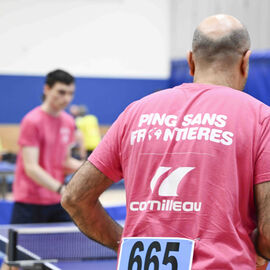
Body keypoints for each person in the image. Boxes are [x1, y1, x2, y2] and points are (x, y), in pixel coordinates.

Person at [61, 15, 270, 269]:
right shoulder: (261, 118)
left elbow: (74, 197)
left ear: (191, 61)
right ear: (246, 62)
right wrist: (259, 250)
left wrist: (124, 244)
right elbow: (268, 232)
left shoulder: (136, 112)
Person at [10, 69, 83, 224]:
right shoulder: (32, 121)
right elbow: (31, 168)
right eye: (61, 92)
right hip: (29, 203)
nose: (67, 98)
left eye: (71, 93)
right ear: (47, 89)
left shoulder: (69, 121)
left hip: (58, 202)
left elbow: (65, 161)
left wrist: (92, 170)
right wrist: (62, 189)